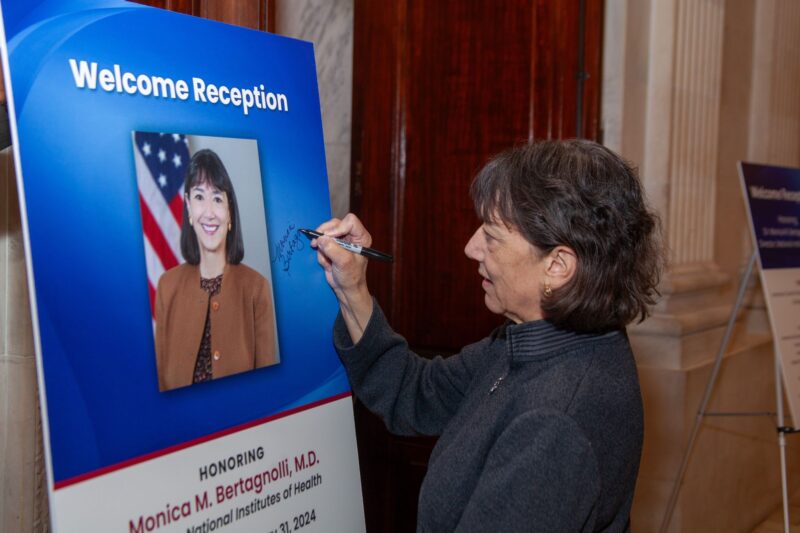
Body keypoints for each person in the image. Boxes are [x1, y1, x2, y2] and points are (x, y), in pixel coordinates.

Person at [311, 139, 663, 531]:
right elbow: (415, 392)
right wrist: (352, 288)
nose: (470, 247)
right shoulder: (549, 340)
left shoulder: (553, 425)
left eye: (492, 236)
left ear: (558, 265)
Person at [155, 149, 277, 392]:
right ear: (188, 206)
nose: (209, 212)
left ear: (230, 212)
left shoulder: (256, 289)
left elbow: (267, 391)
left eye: (218, 199)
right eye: (200, 197)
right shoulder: (167, 286)